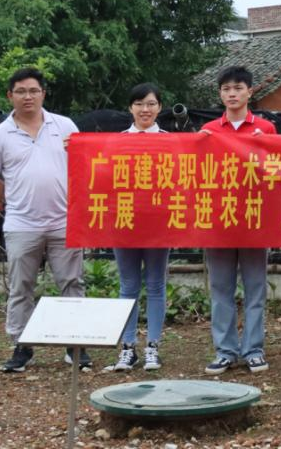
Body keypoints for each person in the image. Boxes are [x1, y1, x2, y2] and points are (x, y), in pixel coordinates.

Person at [0, 67, 88, 372]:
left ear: (43, 94)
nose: (28, 96)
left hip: (64, 220)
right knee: (21, 285)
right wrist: (13, 197)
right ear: (10, 95)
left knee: (72, 282)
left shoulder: (65, 126)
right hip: (21, 224)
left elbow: (87, 164)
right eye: (21, 91)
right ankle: (22, 346)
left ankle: (76, 344)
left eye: (33, 91)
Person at [199, 66, 276, 374]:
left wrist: (264, 145)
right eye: (226, 89)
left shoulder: (266, 129)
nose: (232, 94)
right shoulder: (208, 130)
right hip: (219, 220)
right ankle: (225, 350)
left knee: (255, 288)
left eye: (238, 88)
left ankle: (254, 349)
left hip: (255, 219)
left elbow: (278, 171)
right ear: (220, 94)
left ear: (249, 92)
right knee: (221, 289)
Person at [107, 83, 171, 372]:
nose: (145, 109)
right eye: (139, 104)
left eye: (151, 104)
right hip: (124, 222)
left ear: (159, 108)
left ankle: (153, 347)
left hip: (159, 224)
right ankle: (128, 347)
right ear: (130, 108)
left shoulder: (172, 142)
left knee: (156, 285)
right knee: (128, 286)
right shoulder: (116, 141)